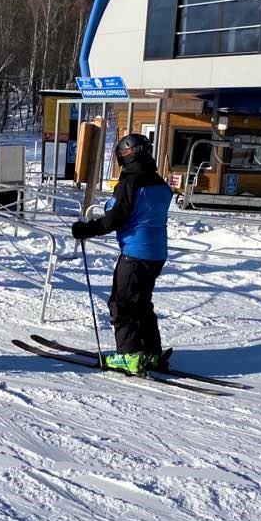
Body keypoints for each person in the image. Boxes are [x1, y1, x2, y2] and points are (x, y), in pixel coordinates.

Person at [71, 133, 173, 375]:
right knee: (142, 303)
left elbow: (113, 220)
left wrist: (85, 229)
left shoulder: (130, 183)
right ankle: (151, 351)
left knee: (123, 304)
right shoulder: (160, 182)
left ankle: (129, 354)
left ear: (126, 155)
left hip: (136, 253)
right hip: (157, 252)